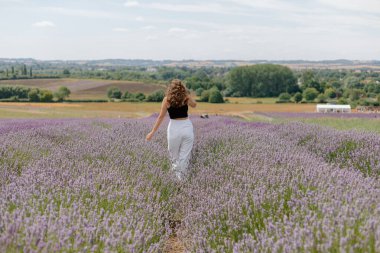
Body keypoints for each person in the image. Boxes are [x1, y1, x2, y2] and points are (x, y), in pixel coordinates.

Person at [146, 79, 197, 181]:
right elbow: (194, 105)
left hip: (174, 128)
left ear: (170, 88)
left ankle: (177, 180)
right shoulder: (185, 97)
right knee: (184, 157)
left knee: (174, 157)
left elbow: (160, 117)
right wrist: (187, 95)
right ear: (182, 88)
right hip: (187, 127)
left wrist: (152, 132)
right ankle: (182, 180)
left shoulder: (167, 100)